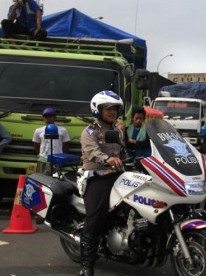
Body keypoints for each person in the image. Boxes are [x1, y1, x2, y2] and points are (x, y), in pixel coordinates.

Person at [79, 90, 127, 276]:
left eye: (115, 108)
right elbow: (92, 152)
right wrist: (107, 159)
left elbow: (122, 153)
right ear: (97, 110)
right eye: (108, 108)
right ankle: (86, 265)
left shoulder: (118, 131)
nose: (112, 112)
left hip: (117, 175)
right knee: (95, 217)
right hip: (97, 176)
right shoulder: (90, 131)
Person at [32, 107, 70, 175]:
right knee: (41, 179)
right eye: (46, 116)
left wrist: (60, 156)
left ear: (54, 117)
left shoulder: (63, 130)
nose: (48, 118)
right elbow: (36, 145)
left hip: (57, 160)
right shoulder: (38, 131)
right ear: (43, 118)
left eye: (50, 116)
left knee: (56, 180)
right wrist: (43, 155)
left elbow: (66, 146)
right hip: (43, 160)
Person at [125, 106, 151, 172]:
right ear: (132, 118)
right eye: (137, 118)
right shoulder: (127, 130)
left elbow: (147, 144)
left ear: (143, 119)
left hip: (144, 159)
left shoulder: (147, 131)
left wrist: (134, 141)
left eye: (141, 118)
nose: (138, 120)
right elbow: (126, 144)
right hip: (130, 160)